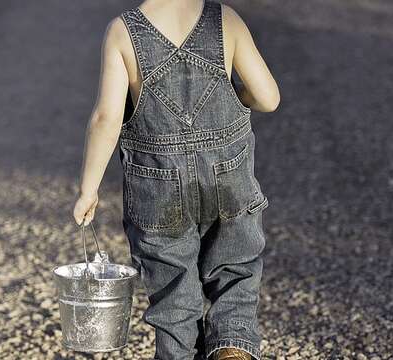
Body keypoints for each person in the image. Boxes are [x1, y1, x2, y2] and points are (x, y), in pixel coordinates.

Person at [73, 0, 279, 358]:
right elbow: (268, 98)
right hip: (228, 179)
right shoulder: (225, 19)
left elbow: (106, 118)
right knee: (235, 273)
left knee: (174, 299)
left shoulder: (123, 31)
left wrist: (88, 190)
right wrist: (238, 97)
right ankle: (233, 350)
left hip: (158, 187)